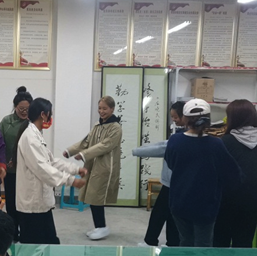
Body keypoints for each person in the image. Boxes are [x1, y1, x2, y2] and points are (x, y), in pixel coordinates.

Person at [164, 99, 242, 247]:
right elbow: (233, 173)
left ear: (185, 119)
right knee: (204, 244)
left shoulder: (175, 141)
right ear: (208, 119)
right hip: (206, 204)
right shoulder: (216, 144)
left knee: (185, 241)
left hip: (179, 201)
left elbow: (170, 163)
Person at [16, 98, 86, 244]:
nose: (51, 117)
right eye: (50, 114)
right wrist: (71, 180)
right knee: (35, 246)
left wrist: (75, 169)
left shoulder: (36, 135)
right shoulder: (30, 138)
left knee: (50, 243)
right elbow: (43, 168)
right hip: (33, 205)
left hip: (40, 203)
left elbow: (51, 161)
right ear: (43, 114)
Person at [64, 96, 122, 241]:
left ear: (112, 109)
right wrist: (70, 151)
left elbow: (105, 145)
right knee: (92, 196)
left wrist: (84, 154)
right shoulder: (98, 125)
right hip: (93, 165)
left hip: (105, 167)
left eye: (105, 108)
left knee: (97, 197)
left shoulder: (115, 128)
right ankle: (99, 227)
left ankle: (102, 227)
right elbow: (86, 142)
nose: (101, 111)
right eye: (100, 108)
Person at [213, 100, 257, 248]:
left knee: (220, 241)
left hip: (227, 198)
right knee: (244, 241)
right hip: (253, 196)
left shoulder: (226, 141)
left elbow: (218, 171)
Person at [132, 101, 186, 247]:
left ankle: (153, 242)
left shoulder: (184, 137)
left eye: (176, 117)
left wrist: (135, 151)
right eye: (172, 117)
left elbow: (162, 148)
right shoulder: (180, 133)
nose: (173, 120)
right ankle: (171, 243)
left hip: (174, 183)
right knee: (168, 213)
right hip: (171, 182)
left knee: (161, 213)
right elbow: (162, 144)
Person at [0, 87, 33, 229]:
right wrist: (2, 165)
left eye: (27, 109)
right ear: (15, 106)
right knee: (12, 202)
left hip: (27, 171)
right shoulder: (6, 122)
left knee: (26, 203)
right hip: (11, 171)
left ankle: (25, 230)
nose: (24, 112)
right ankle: (13, 231)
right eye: (21, 108)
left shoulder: (33, 122)